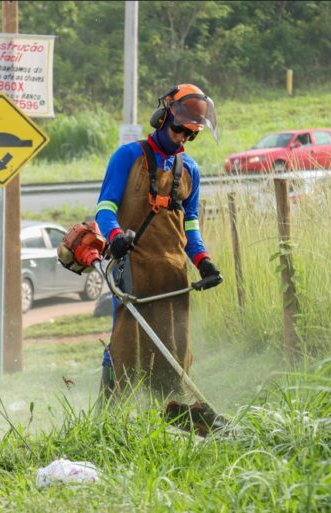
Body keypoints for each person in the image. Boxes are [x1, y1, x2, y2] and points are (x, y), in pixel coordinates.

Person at [95, 84, 223, 401]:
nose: (183, 137)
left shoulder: (190, 170)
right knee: (126, 342)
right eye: (180, 129)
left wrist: (203, 260)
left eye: (192, 134)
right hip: (132, 265)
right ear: (162, 118)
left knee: (173, 348)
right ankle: (110, 414)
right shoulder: (128, 156)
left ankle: (168, 412)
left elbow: (189, 224)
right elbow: (105, 208)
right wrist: (116, 237)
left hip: (172, 271)